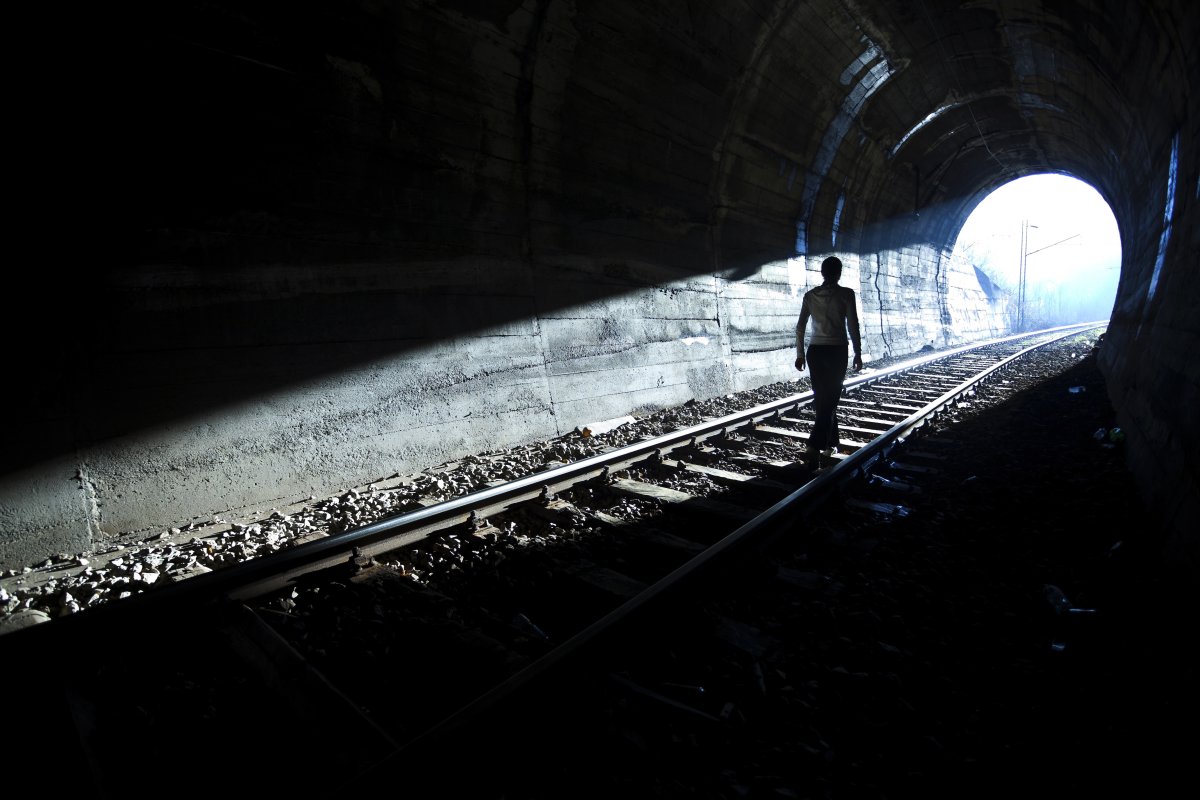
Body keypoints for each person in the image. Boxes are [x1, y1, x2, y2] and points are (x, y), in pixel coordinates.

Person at [795, 256, 863, 465]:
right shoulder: (846, 294)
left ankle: (832, 442)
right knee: (829, 400)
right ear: (839, 273)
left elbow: (800, 327)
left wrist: (799, 354)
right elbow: (853, 325)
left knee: (823, 399)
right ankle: (814, 446)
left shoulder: (809, 296)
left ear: (822, 273)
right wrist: (858, 353)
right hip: (836, 351)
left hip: (815, 352)